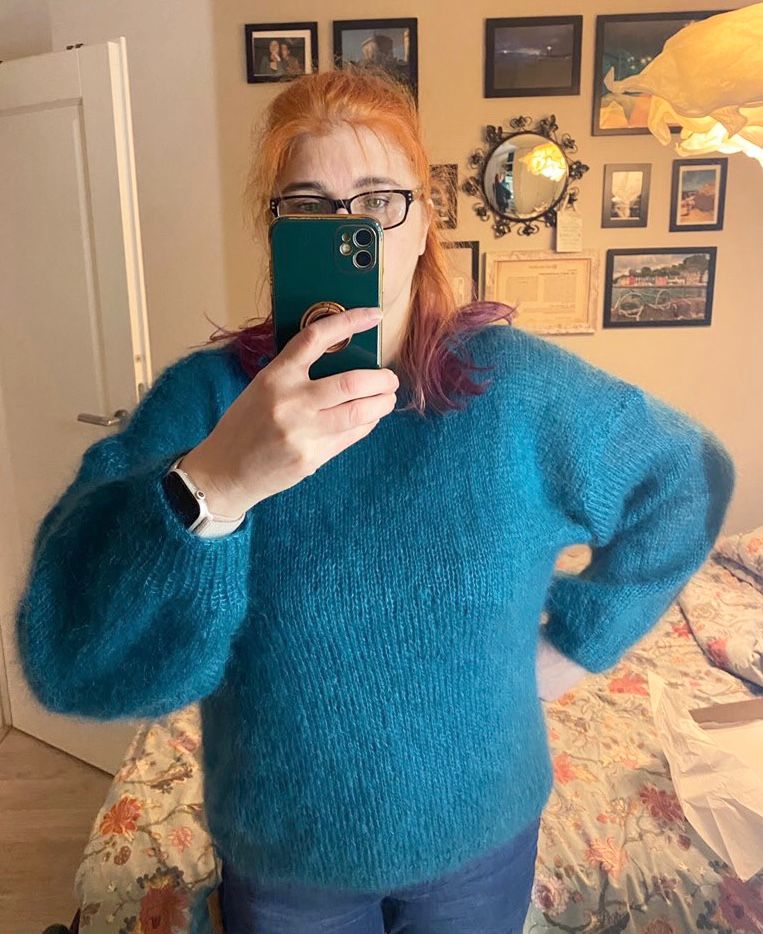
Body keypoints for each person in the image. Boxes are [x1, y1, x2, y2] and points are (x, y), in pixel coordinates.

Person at [14, 64, 735, 934]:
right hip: (286, 861)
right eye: (309, 205)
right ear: (274, 228)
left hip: (482, 841)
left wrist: (579, 644)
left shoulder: (518, 392)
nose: (348, 227)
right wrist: (216, 483)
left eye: (378, 201)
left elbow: (687, 477)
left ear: (423, 220)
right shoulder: (207, 404)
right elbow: (72, 664)